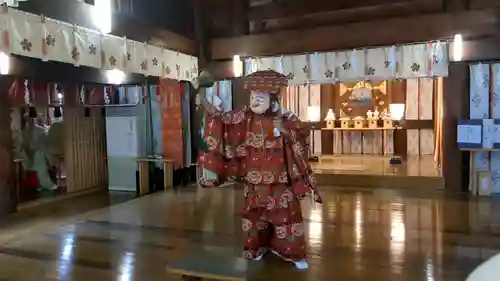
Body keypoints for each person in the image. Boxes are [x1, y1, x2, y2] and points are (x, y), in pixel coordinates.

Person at [196, 70, 322, 269]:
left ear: (273, 99)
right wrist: (205, 102)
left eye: (260, 97)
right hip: (253, 180)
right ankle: (255, 249)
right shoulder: (245, 116)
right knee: (255, 220)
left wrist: (286, 131)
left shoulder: (285, 116)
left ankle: (294, 255)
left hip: (280, 181)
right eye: (253, 96)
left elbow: (302, 133)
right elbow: (223, 119)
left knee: (286, 219)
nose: (255, 101)